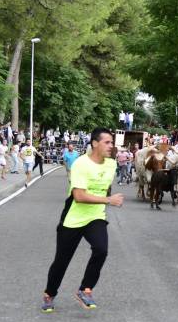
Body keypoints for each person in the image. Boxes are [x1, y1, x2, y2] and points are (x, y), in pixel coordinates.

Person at [41, 128, 122, 312]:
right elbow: (78, 196)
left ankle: (85, 289)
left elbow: (104, 188)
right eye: (107, 142)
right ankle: (49, 294)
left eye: (112, 142)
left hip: (95, 216)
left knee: (101, 250)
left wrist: (104, 199)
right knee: (62, 260)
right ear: (94, 143)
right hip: (74, 216)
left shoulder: (111, 165)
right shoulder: (81, 164)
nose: (111, 146)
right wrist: (109, 200)